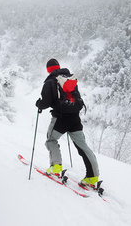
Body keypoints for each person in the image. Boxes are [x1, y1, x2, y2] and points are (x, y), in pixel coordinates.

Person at [36, 58, 99, 186]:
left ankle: (56, 167)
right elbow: (77, 97)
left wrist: (38, 104)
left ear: (48, 70)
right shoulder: (70, 79)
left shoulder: (49, 82)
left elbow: (45, 103)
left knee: (51, 140)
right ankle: (92, 177)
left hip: (60, 119)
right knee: (82, 146)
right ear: (59, 67)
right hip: (75, 118)